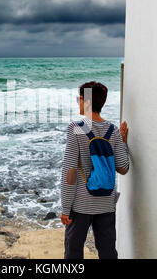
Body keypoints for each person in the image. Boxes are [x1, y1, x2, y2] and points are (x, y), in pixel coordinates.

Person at [60, 81, 129, 259]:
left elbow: (70, 171)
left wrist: (65, 208)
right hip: (106, 203)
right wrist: (123, 143)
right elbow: (123, 168)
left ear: (86, 101)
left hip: (81, 206)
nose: (78, 102)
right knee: (107, 252)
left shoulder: (75, 128)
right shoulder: (113, 131)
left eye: (79, 98)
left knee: (73, 252)